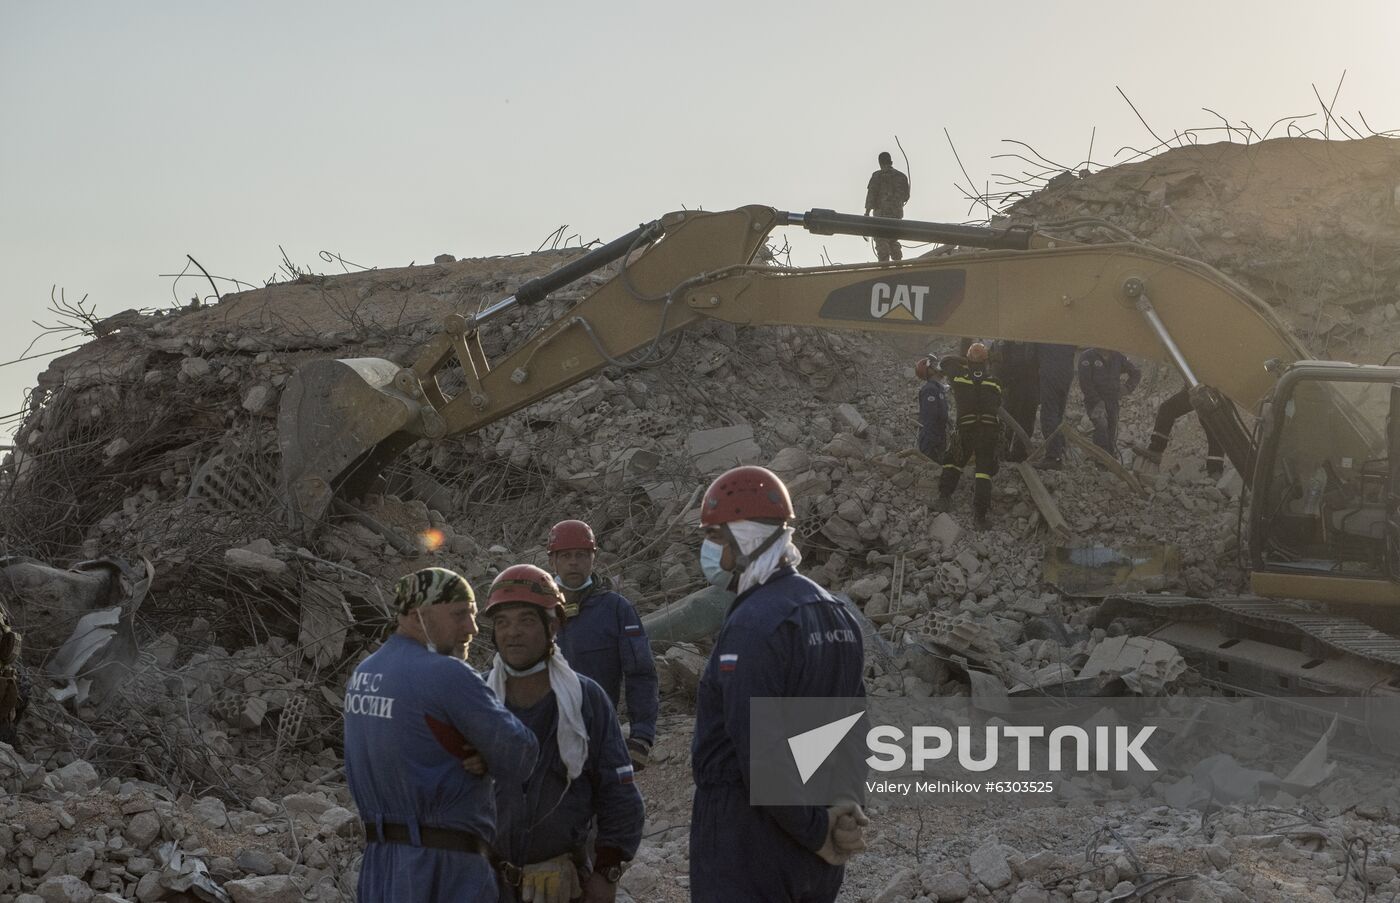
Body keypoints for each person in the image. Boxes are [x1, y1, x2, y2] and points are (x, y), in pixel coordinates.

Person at [690, 465, 868, 903]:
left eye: (717, 539)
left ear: (746, 538)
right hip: (813, 833)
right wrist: (842, 812)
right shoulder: (835, 611)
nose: (711, 552)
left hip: (750, 838)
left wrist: (815, 832)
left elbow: (761, 751)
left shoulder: (753, 624)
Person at [344, 567, 538, 903]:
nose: (472, 628)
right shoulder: (446, 674)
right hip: (445, 869)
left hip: (381, 868)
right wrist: (489, 755)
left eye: (474, 615)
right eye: (460, 615)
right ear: (419, 616)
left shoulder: (365, 673)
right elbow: (520, 754)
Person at [482, 564, 644, 903]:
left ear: (552, 625)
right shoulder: (477, 698)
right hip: (486, 882)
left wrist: (607, 872)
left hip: (565, 886)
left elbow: (618, 793)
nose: (513, 633)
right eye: (502, 622)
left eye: (526, 620)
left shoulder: (586, 700)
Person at [547, 520, 659, 770]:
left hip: (599, 737)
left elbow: (640, 673)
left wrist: (641, 735)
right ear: (552, 561)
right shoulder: (536, 610)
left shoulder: (616, 610)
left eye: (581, 555)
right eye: (565, 556)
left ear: (593, 559)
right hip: (546, 739)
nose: (573, 562)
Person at [938, 342, 1003, 529]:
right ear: (987, 361)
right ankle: (980, 518)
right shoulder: (995, 382)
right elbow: (998, 402)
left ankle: (944, 498)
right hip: (988, 430)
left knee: (954, 461)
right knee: (984, 472)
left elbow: (945, 362)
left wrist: (965, 362)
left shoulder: (958, 377)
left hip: (966, 428)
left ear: (968, 359)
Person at [1139, 386, 1226, 478]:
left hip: (1207, 387)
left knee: (1168, 409)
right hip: (1205, 387)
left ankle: (1156, 449)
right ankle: (1215, 469)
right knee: (1211, 424)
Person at [1078, 348, 1142, 456]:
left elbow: (1136, 372)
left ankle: (1110, 459)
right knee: (1101, 425)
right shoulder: (1087, 357)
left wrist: (1128, 387)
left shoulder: (1118, 357)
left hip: (1112, 401)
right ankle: (1101, 460)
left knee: (1111, 430)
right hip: (1094, 402)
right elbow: (1085, 383)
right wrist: (1097, 401)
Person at [992, 340, 1040, 462]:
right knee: (1007, 419)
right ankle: (1002, 452)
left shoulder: (1033, 339)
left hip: (1029, 384)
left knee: (1026, 418)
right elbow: (997, 362)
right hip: (1012, 384)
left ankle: (1019, 454)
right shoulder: (1003, 340)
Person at [863, 151, 910, 262]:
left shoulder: (877, 176)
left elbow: (871, 195)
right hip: (896, 216)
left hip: (881, 216)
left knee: (881, 240)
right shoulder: (901, 176)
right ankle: (898, 263)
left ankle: (884, 267)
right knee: (893, 240)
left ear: (880, 163)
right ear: (891, 161)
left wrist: (867, 213)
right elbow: (906, 196)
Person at [1036, 343, 1076, 469]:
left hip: (1051, 371)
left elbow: (1030, 354)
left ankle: (1053, 456)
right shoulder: (1067, 330)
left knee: (1049, 415)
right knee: (1058, 413)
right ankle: (1060, 448)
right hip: (1066, 372)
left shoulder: (1046, 330)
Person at [915, 356, 948, 464]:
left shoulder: (938, 389)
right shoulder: (930, 389)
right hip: (931, 441)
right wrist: (934, 441)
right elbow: (930, 418)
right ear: (928, 370)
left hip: (938, 437)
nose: (938, 366)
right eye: (933, 364)